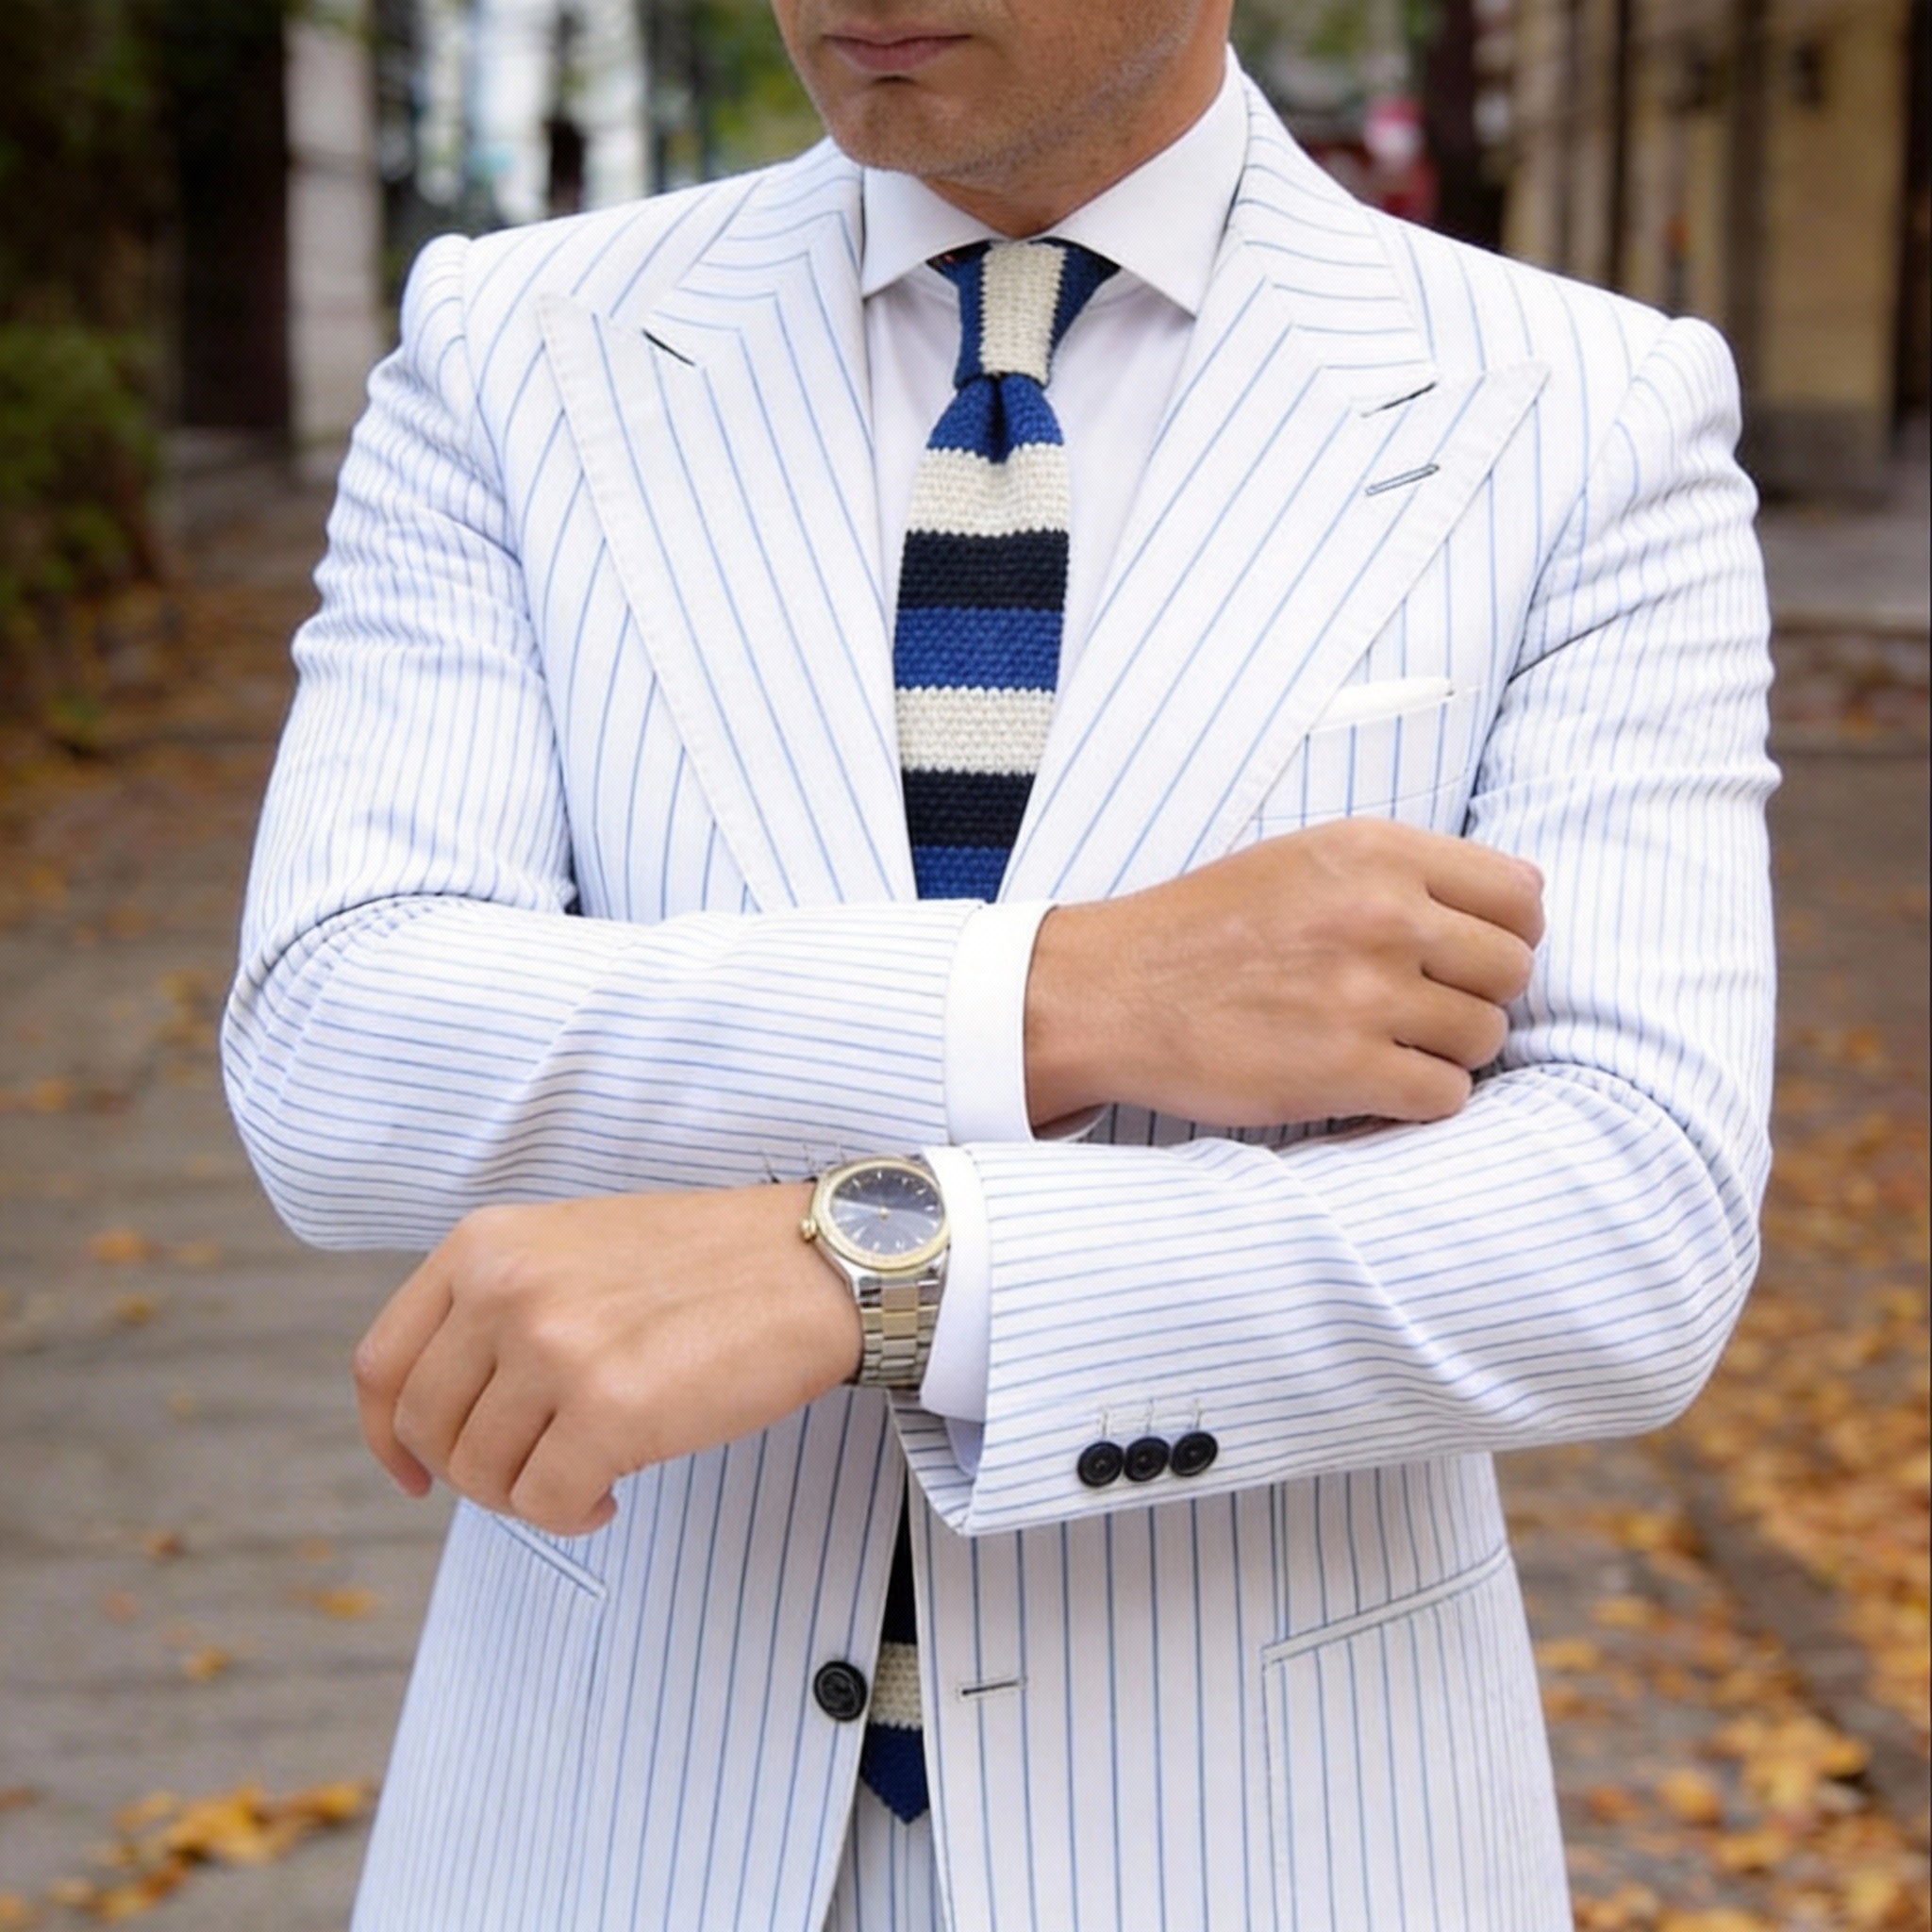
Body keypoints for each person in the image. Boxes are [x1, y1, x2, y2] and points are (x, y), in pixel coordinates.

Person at [221, 1, 1776, 1925]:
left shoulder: (1580, 409)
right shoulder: (514, 349)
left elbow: (1625, 1229)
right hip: (601, 1825)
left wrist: (875, 1268)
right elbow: (340, 1038)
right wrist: (1076, 994)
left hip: (1273, 1839)